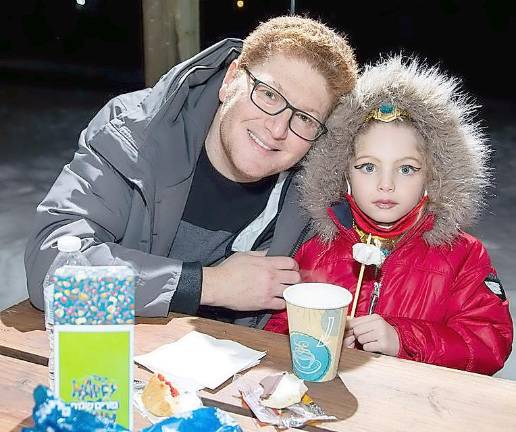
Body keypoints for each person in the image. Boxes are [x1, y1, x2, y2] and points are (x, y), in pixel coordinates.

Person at [24, 16, 358, 326]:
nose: (277, 129)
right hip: (116, 357)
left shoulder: (313, 197)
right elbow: (52, 275)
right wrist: (208, 285)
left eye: (304, 118)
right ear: (230, 80)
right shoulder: (134, 135)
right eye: (269, 95)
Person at [264, 56, 513, 374]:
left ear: (432, 176)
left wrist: (402, 339)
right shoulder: (314, 248)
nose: (386, 184)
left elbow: (490, 344)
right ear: (343, 174)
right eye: (368, 167)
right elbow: (275, 327)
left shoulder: (463, 255)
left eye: (406, 169)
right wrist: (313, 337)